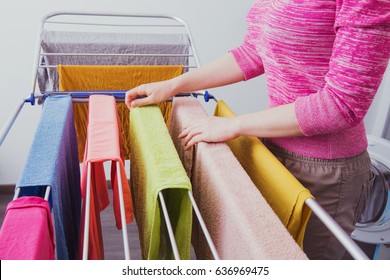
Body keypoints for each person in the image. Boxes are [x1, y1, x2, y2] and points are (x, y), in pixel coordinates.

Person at [126, 1, 390, 259]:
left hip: (324, 171)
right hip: (269, 150)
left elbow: (341, 105)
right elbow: (254, 52)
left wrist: (236, 125)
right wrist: (175, 84)